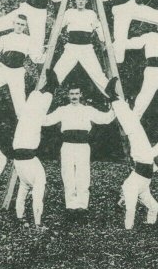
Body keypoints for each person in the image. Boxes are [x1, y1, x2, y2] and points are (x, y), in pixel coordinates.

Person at [42, 85, 115, 218]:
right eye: (71, 94)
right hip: (67, 146)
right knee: (68, 174)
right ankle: (70, 206)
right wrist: (37, 108)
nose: (74, 96)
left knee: (83, 174)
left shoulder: (88, 110)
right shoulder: (62, 110)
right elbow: (45, 121)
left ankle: (82, 206)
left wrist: (116, 105)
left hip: (82, 146)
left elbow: (106, 119)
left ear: (81, 94)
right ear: (68, 95)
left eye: (76, 93)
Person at [105, 86, 158, 230]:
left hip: (139, 184)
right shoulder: (144, 152)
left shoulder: (128, 187)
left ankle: (143, 227)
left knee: (133, 127)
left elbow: (149, 165)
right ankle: (129, 230)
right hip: (139, 173)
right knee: (134, 127)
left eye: (121, 200)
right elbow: (149, 164)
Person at [11, 88, 55, 228]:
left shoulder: (31, 180)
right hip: (22, 154)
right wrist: (38, 223)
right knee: (36, 114)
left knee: (34, 112)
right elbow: (37, 197)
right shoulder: (39, 179)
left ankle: (20, 218)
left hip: (21, 156)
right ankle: (35, 222)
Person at [52, 0, 110, 94]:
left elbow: (99, 28)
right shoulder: (69, 12)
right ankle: (43, 96)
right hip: (72, 47)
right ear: (75, 1)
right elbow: (58, 26)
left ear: (86, 1)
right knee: (58, 72)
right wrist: (53, 39)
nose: (81, 1)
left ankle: (113, 96)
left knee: (97, 74)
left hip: (86, 48)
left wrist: (104, 41)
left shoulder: (91, 13)